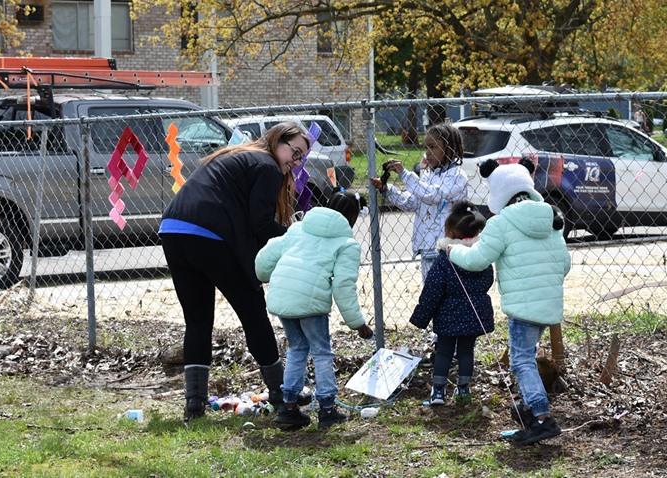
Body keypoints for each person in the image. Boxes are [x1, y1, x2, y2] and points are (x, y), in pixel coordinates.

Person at [159, 122, 310, 421]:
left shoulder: (240, 156)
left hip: (174, 230)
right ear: (277, 140)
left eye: (301, 158)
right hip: (210, 234)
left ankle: (194, 406)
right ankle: (282, 396)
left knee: (198, 320)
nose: (295, 162)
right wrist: (297, 235)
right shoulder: (266, 165)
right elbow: (261, 225)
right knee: (252, 311)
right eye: (294, 152)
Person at [447, 158, 571, 446]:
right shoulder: (551, 220)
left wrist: (452, 250)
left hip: (522, 307)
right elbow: (564, 263)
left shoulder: (501, 223)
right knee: (526, 355)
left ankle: (541, 416)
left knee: (522, 360)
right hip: (547, 305)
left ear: (499, 193)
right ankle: (528, 413)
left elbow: (477, 260)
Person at [255, 190, 374, 430]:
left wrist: (264, 275)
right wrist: (357, 323)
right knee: (321, 352)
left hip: (283, 298)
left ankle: (288, 406)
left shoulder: (299, 228)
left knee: (297, 347)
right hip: (311, 304)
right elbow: (343, 286)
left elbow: (267, 255)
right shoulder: (347, 244)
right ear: (351, 218)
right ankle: (327, 408)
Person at [408, 201, 494, 406]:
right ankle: (463, 389)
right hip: (474, 315)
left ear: (449, 232)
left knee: (444, 351)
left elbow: (433, 289)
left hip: (447, 315)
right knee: (466, 351)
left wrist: (421, 317)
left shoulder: (445, 259)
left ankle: (438, 392)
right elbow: (487, 281)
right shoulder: (481, 257)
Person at [370, 122, 469, 280]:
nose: (428, 153)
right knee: (430, 293)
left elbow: (432, 195)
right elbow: (412, 201)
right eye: (426, 148)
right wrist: (387, 189)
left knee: (448, 292)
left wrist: (405, 174)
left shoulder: (456, 176)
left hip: (449, 248)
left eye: (433, 147)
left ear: (449, 148)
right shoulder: (428, 175)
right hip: (427, 247)